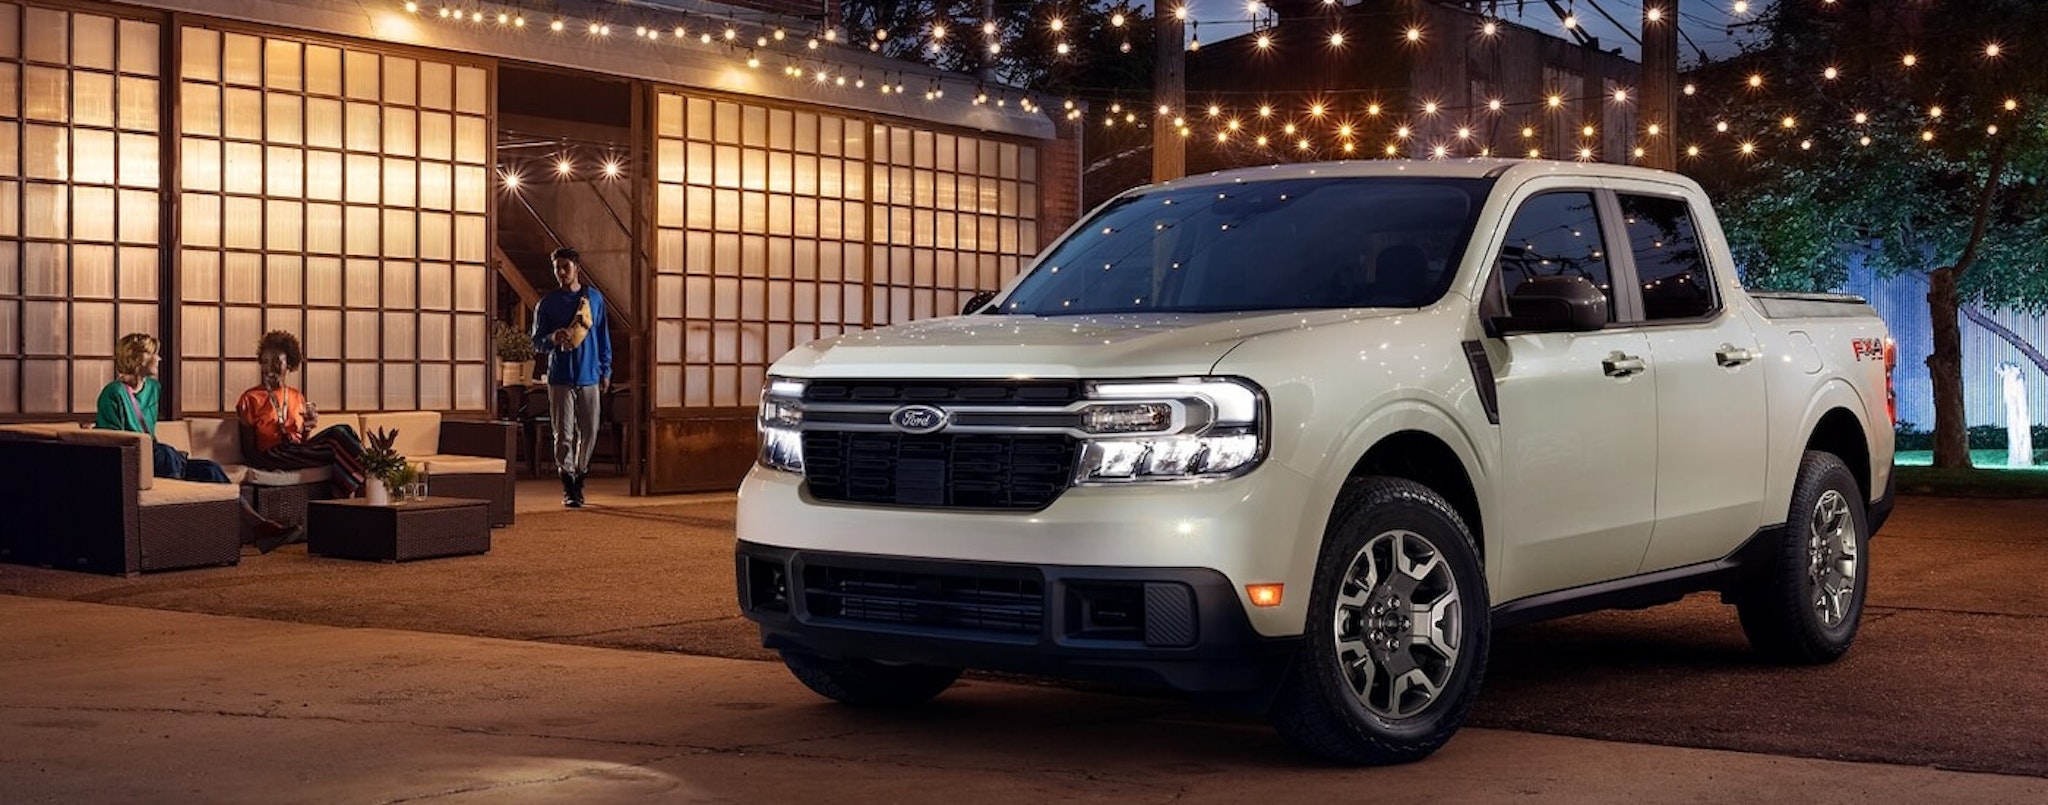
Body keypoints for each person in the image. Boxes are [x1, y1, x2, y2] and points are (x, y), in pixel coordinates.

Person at [95, 333, 302, 552]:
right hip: (135, 461)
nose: (159, 359)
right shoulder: (113, 393)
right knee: (164, 453)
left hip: (158, 459)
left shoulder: (154, 389)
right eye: (154, 354)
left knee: (211, 469)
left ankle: (260, 527)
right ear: (138, 359)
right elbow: (113, 440)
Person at [234, 330, 367, 504]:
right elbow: (249, 452)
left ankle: (356, 490)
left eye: (277, 361)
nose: (269, 367)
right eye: (265, 361)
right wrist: (268, 467)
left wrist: (308, 426)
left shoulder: (297, 396)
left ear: (289, 364)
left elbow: (302, 441)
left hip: (295, 450)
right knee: (339, 437)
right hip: (271, 455)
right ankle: (368, 481)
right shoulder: (250, 398)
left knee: (344, 431)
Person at [530, 245, 612, 508]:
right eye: (557, 268)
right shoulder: (547, 304)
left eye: (566, 267)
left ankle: (580, 474)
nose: (561, 272)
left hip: (590, 374)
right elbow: (536, 342)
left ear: (577, 268)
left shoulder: (594, 299)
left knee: (590, 430)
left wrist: (606, 369)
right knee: (563, 433)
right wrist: (552, 338)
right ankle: (569, 484)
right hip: (560, 377)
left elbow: (602, 337)